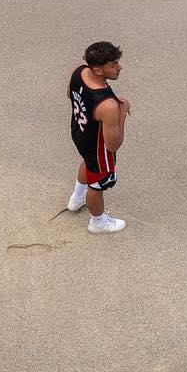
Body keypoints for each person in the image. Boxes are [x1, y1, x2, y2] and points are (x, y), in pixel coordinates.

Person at [67, 41, 129, 234]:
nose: (119, 68)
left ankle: (76, 199)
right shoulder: (108, 106)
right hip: (97, 146)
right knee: (98, 184)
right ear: (98, 70)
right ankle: (98, 222)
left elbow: (69, 94)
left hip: (79, 131)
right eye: (113, 65)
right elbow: (113, 144)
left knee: (87, 162)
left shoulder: (79, 71)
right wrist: (121, 113)